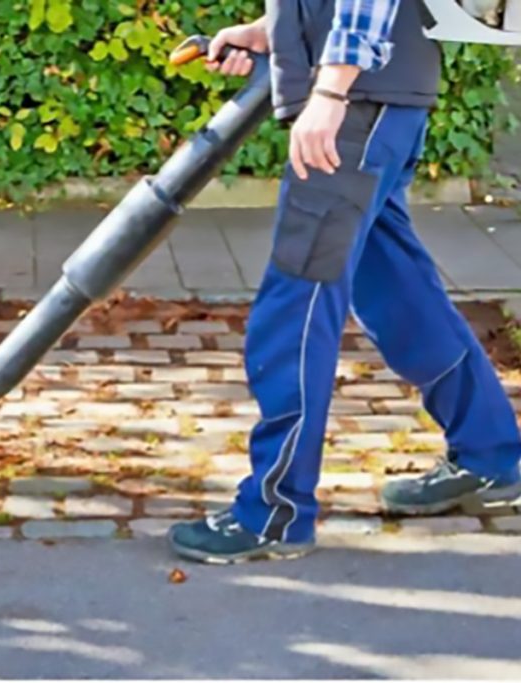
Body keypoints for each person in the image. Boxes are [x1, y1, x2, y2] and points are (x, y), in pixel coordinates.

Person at [168, 0, 521, 564]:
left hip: (358, 105)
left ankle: (276, 512)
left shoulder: (344, 92)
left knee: (296, 304)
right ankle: (489, 455)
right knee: (397, 294)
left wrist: (332, 91)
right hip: (384, 100)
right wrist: (273, 32)